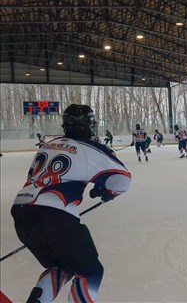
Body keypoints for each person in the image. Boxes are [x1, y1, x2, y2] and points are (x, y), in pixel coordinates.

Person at [11, 104, 131, 302]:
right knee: (90, 272)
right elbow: (122, 180)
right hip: (56, 216)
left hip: (22, 212)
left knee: (62, 266)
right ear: (91, 125)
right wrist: (107, 191)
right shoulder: (91, 148)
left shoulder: (48, 145)